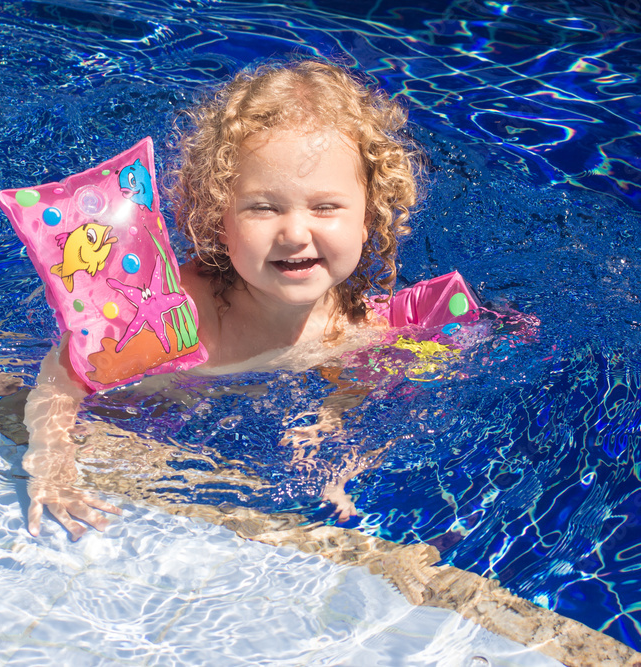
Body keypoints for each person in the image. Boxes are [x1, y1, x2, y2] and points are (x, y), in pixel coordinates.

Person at [24, 58, 421, 539]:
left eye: (325, 207)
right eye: (263, 207)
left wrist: (331, 432)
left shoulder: (358, 327)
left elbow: (354, 384)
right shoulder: (183, 310)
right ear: (219, 221)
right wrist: (51, 458)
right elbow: (65, 374)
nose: (296, 233)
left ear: (367, 217)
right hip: (118, 409)